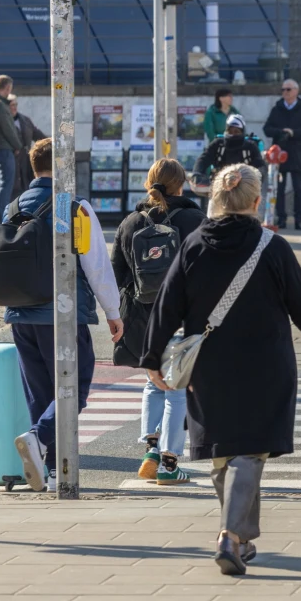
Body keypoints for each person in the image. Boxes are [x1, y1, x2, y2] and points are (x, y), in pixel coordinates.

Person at [143, 163, 301, 575]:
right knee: (250, 450)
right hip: (265, 365)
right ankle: (230, 535)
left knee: (224, 452)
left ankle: (243, 539)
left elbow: (167, 304)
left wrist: (152, 355)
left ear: (216, 199)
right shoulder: (272, 246)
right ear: (256, 201)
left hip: (210, 366)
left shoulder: (195, 245)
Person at [11, 139, 123, 493]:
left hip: (20, 315)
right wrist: (113, 311)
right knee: (75, 386)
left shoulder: (13, 207)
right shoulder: (74, 207)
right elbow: (96, 265)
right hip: (62, 313)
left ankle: (50, 470)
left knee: (40, 393)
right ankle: (37, 438)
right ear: (64, 166)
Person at [111, 159, 207, 485]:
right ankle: (169, 463)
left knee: (153, 383)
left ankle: (151, 450)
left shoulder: (130, 223)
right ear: (182, 184)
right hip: (182, 315)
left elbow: (117, 275)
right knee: (177, 387)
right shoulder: (195, 220)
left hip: (142, 317)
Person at [262, 79, 301, 230]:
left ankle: (299, 219)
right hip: (280, 153)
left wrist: (293, 133)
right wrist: (281, 132)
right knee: (279, 187)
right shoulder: (277, 109)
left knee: (298, 187)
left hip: (297, 153)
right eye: (283, 90)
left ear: (296, 91)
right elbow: (267, 128)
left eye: (288, 89)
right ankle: (281, 218)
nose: (285, 92)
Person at [192, 114, 266, 194]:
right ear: (226, 131)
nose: (233, 134)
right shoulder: (218, 144)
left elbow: (261, 165)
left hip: (244, 189)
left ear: (242, 132)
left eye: (236, 131)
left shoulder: (250, 146)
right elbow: (203, 159)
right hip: (220, 187)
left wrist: (256, 179)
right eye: (230, 131)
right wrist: (197, 174)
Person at [0, 75, 23, 220]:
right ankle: (0, 220)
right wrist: (18, 145)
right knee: (5, 185)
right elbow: (8, 129)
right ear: (7, 87)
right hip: (4, 148)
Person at [8, 94, 46, 198]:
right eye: (11, 105)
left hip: (25, 160)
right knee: (12, 189)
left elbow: (37, 134)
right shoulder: (4, 122)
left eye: (15, 105)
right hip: (11, 159)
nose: (14, 107)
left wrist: (50, 141)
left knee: (26, 186)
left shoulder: (25, 120)